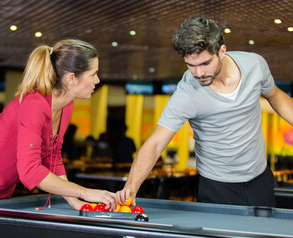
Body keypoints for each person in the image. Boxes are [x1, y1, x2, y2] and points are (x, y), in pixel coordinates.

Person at [117, 16, 293, 207]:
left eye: (205, 63)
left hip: (260, 179)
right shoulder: (187, 93)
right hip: (217, 187)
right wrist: (130, 189)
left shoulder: (255, 65)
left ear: (222, 51)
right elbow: (156, 143)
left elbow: (275, 96)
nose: (198, 73)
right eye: (190, 65)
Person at [0, 39, 117, 211]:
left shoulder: (66, 105)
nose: (98, 80)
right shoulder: (34, 104)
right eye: (93, 74)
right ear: (71, 78)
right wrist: (84, 192)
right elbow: (30, 172)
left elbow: (52, 158)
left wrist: (74, 200)